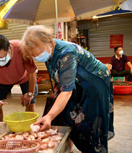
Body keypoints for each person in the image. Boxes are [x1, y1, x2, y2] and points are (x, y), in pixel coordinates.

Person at [21, 25, 114, 153]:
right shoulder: (49, 52)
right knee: (70, 117)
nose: (36, 57)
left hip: (94, 84)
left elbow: (66, 92)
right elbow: (59, 73)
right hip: (76, 83)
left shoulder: (67, 53)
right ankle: (68, 148)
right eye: (32, 55)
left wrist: (49, 116)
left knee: (92, 123)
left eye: (37, 53)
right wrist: (57, 85)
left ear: (48, 42)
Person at [0, 35, 38, 122]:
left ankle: (29, 128)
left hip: (24, 77)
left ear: (10, 48)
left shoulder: (21, 48)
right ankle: (0, 127)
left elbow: (32, 71)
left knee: (30, 102)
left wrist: (30, 93)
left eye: (1, 57)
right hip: (2, 81)